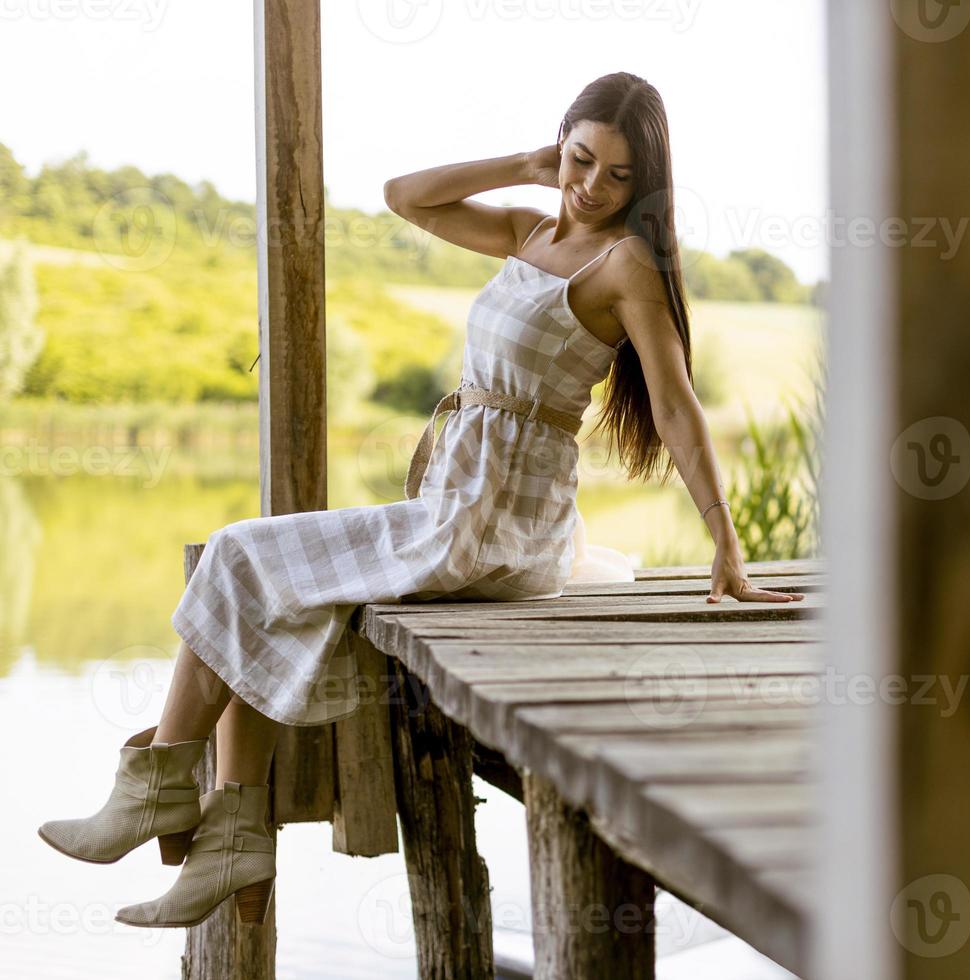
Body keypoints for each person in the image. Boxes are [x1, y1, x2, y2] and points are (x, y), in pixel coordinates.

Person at [37, 71, 805, 929]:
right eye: (580, 159)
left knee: (238, 552)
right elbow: (405, 198)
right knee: (263, 579)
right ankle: (230, 836)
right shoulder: (532, 228)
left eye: (617, 176)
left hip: (496, 520)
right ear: (561, 146)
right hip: (462, 499)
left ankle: (163, 791)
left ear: (646, 183)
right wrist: (525, 164)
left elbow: (675, 406)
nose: (591, 186)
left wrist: (725, 546)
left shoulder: (625, 262)